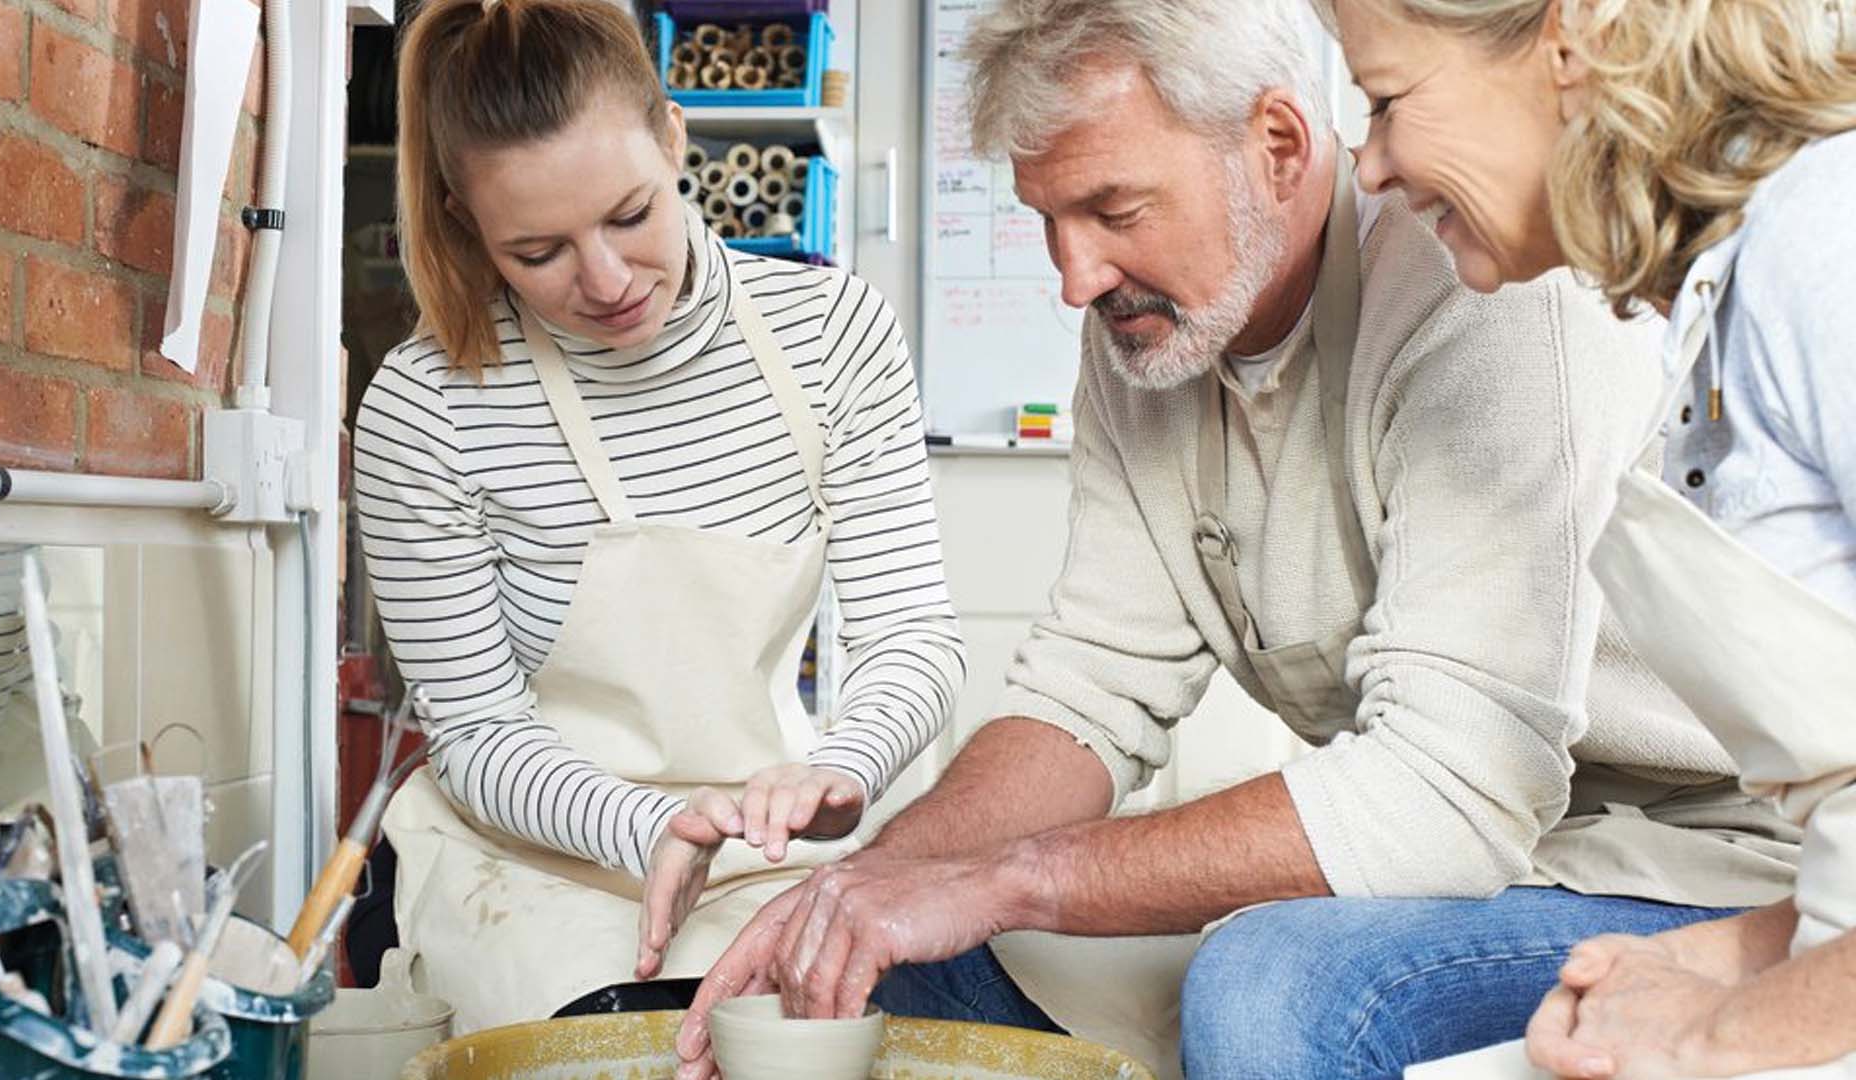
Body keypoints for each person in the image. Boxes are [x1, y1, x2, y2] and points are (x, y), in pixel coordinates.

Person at [673, 2, 1802, 1077]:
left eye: (1115, 211)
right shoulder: (1148, 337)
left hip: (1697, 869)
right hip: (1471, 861)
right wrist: (861, 890)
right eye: (1045, 220)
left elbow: (1446, 797)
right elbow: (1088, 691)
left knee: (1270, 988)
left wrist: (1008, 879)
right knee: (894, 959)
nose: (1075, 277)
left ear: (1276, 142)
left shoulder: (1489, 286)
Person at [350, 0, 964, 1033]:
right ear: (464, 219)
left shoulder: (831, 337)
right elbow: (476, 732)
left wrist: (843, 767)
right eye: (538, 251)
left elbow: (912, 638)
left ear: (674, 137)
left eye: (632, 215)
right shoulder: (429, 406)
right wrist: (652, 826)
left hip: (768, 854)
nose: (604, 280)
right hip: (526, 871)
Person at [1319, 0, 1856, 1075]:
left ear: (1570, 41)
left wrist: (1713, 1031)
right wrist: (1729, 962)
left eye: (1385, 102)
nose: (1368, 166)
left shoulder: (1823, 240)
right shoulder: (1716, 304)